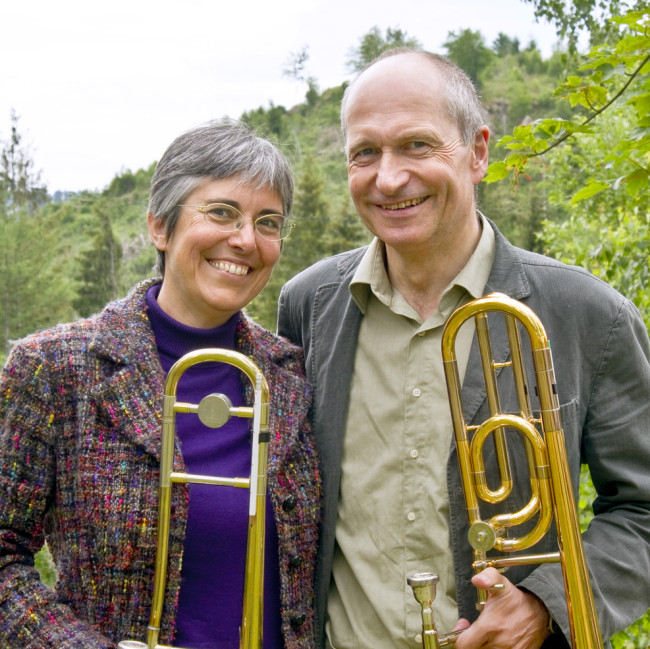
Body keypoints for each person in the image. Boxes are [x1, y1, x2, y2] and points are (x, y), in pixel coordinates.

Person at [277, 48, 650, 649]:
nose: (389, 177)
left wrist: (545, 603)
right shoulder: (308, 305)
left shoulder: (588, 314)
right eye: (365, 152)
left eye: (418, 146)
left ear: (477, 152)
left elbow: (644, 513)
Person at [0, 119, 321, 649]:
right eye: (221, 212)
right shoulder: (53, 367)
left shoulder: (290, 372)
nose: (245, 240)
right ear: (159, 227)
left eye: (268, 222)